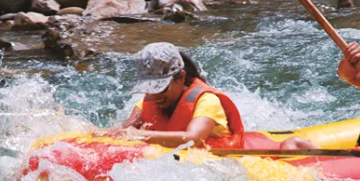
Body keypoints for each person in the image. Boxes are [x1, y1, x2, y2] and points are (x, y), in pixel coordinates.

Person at [115, 42, 309, 150]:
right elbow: (124, 132)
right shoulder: (149, 100)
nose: (155, 94)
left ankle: (298, 145)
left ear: (181, 78)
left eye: (161, 87)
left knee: (291, 147)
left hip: (242, 157)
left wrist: (140, 135)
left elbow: (194, 138)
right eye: (150, 88)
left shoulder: (206, 101)